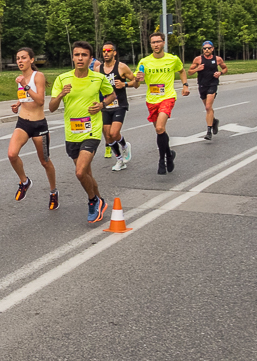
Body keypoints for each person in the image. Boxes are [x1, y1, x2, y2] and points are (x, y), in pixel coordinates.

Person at [49, 41, 115, 223]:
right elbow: (52, 107)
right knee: (87, 174)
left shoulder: (98, 78)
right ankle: (100, 200)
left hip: (91, 131)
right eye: (77, 55)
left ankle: (93, 201)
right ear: (73, 57)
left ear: (90, 58)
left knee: (80, 173)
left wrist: (102, 104)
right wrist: (61, 94)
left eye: (84, 55)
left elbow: (112, 94)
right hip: (71, 134)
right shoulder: (62, 79)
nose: (80, 58)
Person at [7, 47, 58, 209]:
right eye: (17, 58)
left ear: (31, 60)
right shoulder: (21, 78)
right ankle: (24, 181)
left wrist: (25, 85)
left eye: (23, 58)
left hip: (38, 125)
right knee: (12, 154)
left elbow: (41, 101)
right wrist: (17, 104)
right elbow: (25, 98)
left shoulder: (38, 76)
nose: (20, 61)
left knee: (45, 162)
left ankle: (53, 192)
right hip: (23, 123)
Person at [135, 32, 189, 175]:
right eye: (153, 42)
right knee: (160, 130)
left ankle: (161, 160)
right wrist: (137, 78)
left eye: (158, 41)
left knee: (159, 127)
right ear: (150, 44)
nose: (156, 44)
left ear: (164, 43)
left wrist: (185, 85)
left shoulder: (172, 59)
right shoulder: (144, 62)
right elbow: (137, 80)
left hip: (167, 97)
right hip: (152, 100)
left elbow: (182, 71)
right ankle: (169, 155)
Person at [92, 42, 140, 171]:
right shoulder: (98, 69)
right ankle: (119, 159)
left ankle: (124, 145)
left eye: (109, 50)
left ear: (114, 52)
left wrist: (124, 85)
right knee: (108, 137)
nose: (106, 53)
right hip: (105, 105)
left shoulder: (122, 67)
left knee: (114, 133)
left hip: (120, 104)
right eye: (104, 51)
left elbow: (136, 83)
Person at [188, 40, 228, 140]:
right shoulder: (198, 59)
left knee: (208, 107)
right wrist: (197, 69)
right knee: (208, 108)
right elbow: (189, 72)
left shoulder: (217, 59)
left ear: (212, 49)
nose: (206, 50)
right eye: (205, 48)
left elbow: (225, 68)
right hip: (202, 85)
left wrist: (220, 73)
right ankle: (214, 121)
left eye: (208, 48)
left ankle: (209, 131)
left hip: (213, 84)